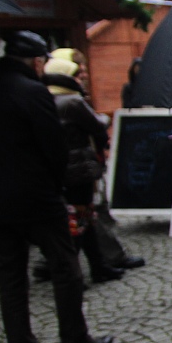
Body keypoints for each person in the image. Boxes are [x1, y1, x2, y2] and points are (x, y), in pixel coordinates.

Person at [0, 31, 113, 343]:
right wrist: (58, 187)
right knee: (65, 267)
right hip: (36, 197)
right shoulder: (32, 91)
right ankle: (74, 339)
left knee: (10, 279)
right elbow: (53, 147)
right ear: (37, 62)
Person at [44, 56, 125, 284]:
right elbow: (97, 124)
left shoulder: (45, 99)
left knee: (84, 219)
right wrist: (103, 118)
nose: (81, 79)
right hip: (79, 169)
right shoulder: (72, 102)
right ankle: (73, 272)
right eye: (76, 75)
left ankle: (98, 265)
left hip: (60, 169)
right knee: (80, 220)